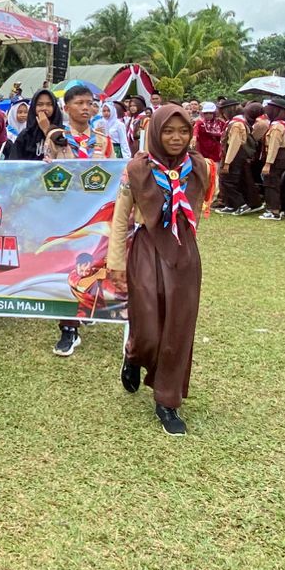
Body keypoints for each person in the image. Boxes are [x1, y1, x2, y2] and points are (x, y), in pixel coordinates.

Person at [105, 103, 216, 436]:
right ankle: (134, 352)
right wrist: (116, 262)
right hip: (146, 251)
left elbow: (205, 201)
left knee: (178, 328)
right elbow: (121, 216)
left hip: (184, 255)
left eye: (183, 131)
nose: (176, 138)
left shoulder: (200, 168)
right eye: (168, 131)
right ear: (154, 131)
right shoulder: (136, 170)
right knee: (149, 326)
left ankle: (167, 401)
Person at [39, 84, 118, 357]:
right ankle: (68, 329)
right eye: (80, 103)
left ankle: (87, 307)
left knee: (93, 265)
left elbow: (117, 173)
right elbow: (45, 174)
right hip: (66, 216)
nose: (86, 108)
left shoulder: (103, 140)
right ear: (67, 107)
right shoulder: (56, 138)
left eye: (90, 103)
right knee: (66, 268)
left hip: (96, 217)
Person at [8, 89, 64, 160]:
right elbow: (15, 163)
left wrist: (47, 129)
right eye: (40, 104)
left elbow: (66, 158)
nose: (44, 108)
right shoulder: (25, 135)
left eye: (49, 104)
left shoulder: (63, 133)